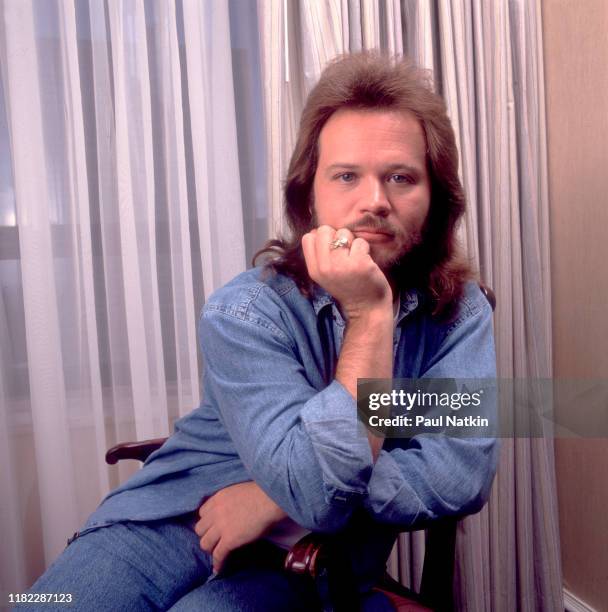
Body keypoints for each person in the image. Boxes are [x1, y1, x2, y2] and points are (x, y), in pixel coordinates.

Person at [23, 52, 498, 611]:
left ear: (436, 197)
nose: (374, 201)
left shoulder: (459, 314)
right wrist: (303, 487)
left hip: (316, 557)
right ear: (309, 196)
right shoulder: (244, 309)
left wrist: (275, 499)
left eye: (401, 177)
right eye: (346, 176)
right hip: (175, 516)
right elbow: (366, 474)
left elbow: (459, 472)